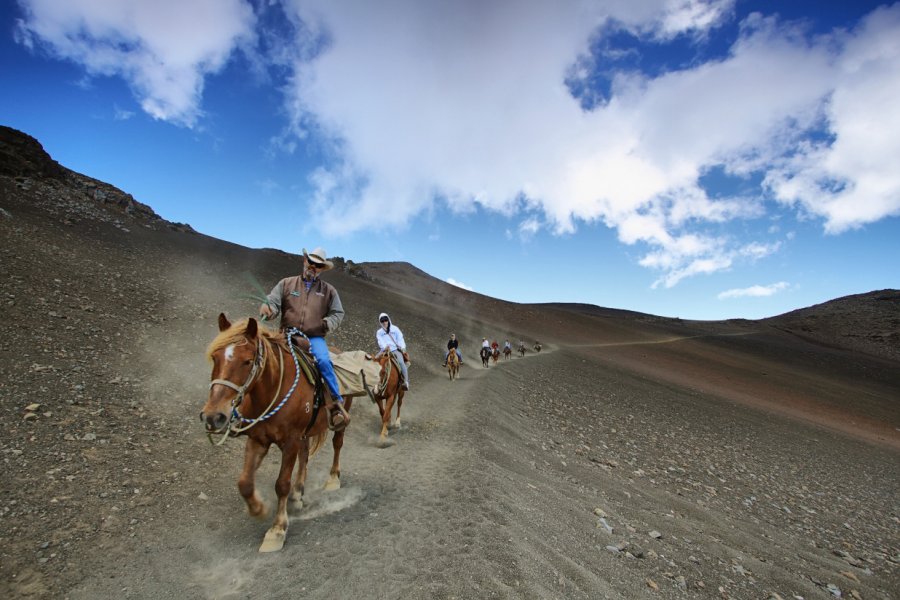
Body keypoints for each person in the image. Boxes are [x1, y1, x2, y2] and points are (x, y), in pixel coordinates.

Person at [259, 247, 349, 431]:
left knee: (324, 361)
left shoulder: (329, 291)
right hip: (286, 335)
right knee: (261, 357)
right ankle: (247, 405)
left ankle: (335, 406)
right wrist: (268, 310)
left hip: (314, 337)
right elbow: (273, 303)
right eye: (311, 262)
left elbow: (338, 314)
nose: (313, 267)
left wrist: (325, 324)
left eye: (318, 265)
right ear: (304, 261)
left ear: (322, 268)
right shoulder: (286, 284)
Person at [376, 313, 410, 391]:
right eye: (382, 321)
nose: (384, 322)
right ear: (380, 322)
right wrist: (384, 347)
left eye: (385, 320)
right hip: (384, 350)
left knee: (401, 362)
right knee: (374, 360)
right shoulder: (379, 332)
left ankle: (406, 382)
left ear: (388, 320)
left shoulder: (395, 329)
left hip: (395, 350)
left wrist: (402, 347)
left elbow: (400, 338)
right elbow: (380, 341)